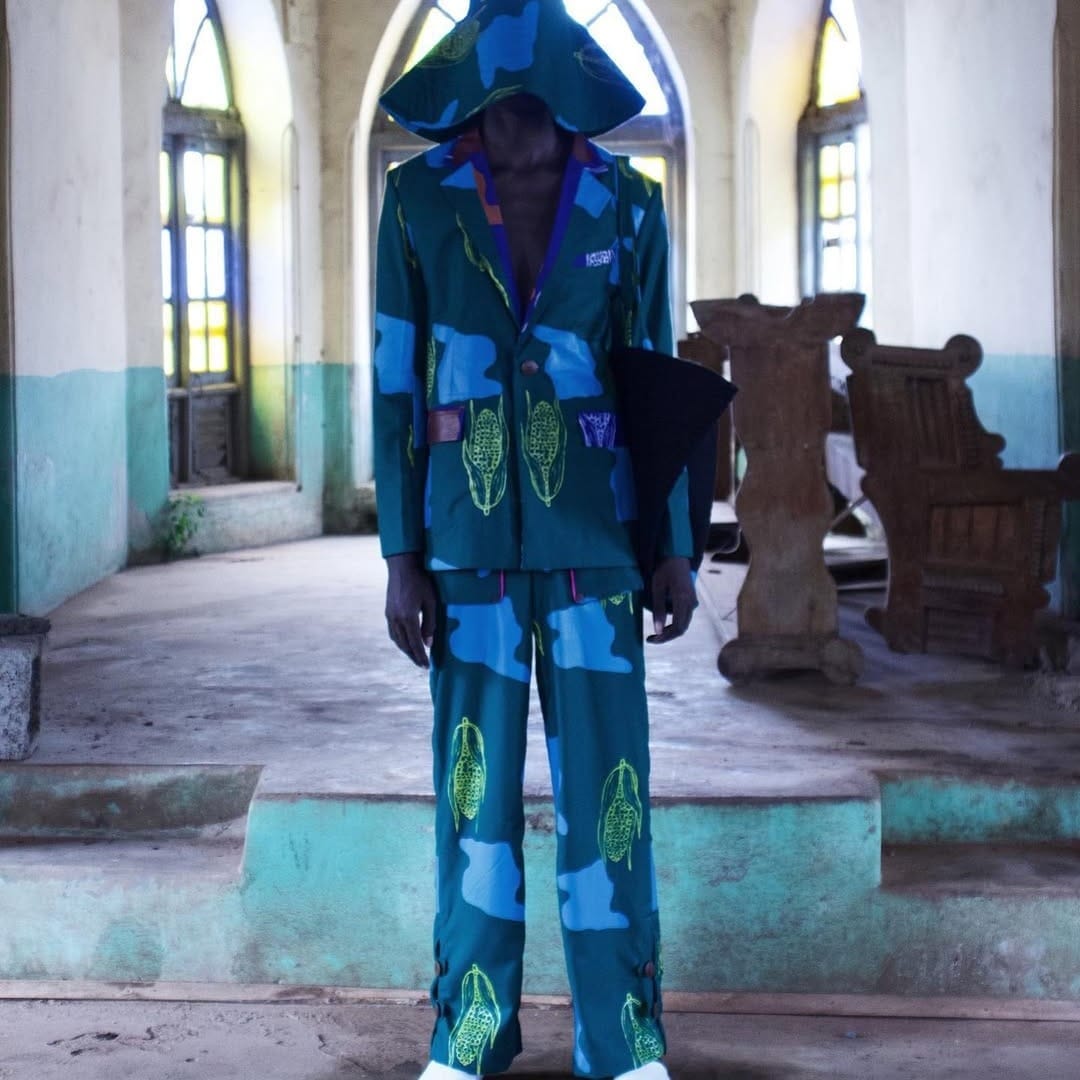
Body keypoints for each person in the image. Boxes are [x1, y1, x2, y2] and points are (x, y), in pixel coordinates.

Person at [373, 2, 695, 1076]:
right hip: (464, 548)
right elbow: (395, 380)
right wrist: (401, 555)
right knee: (475, 798)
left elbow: (654, 378)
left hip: (598, 542)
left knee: (612, 799)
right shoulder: (418, 198)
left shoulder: (628, 202)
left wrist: (672, 544)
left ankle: (628, 1040)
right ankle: (469, 1036)